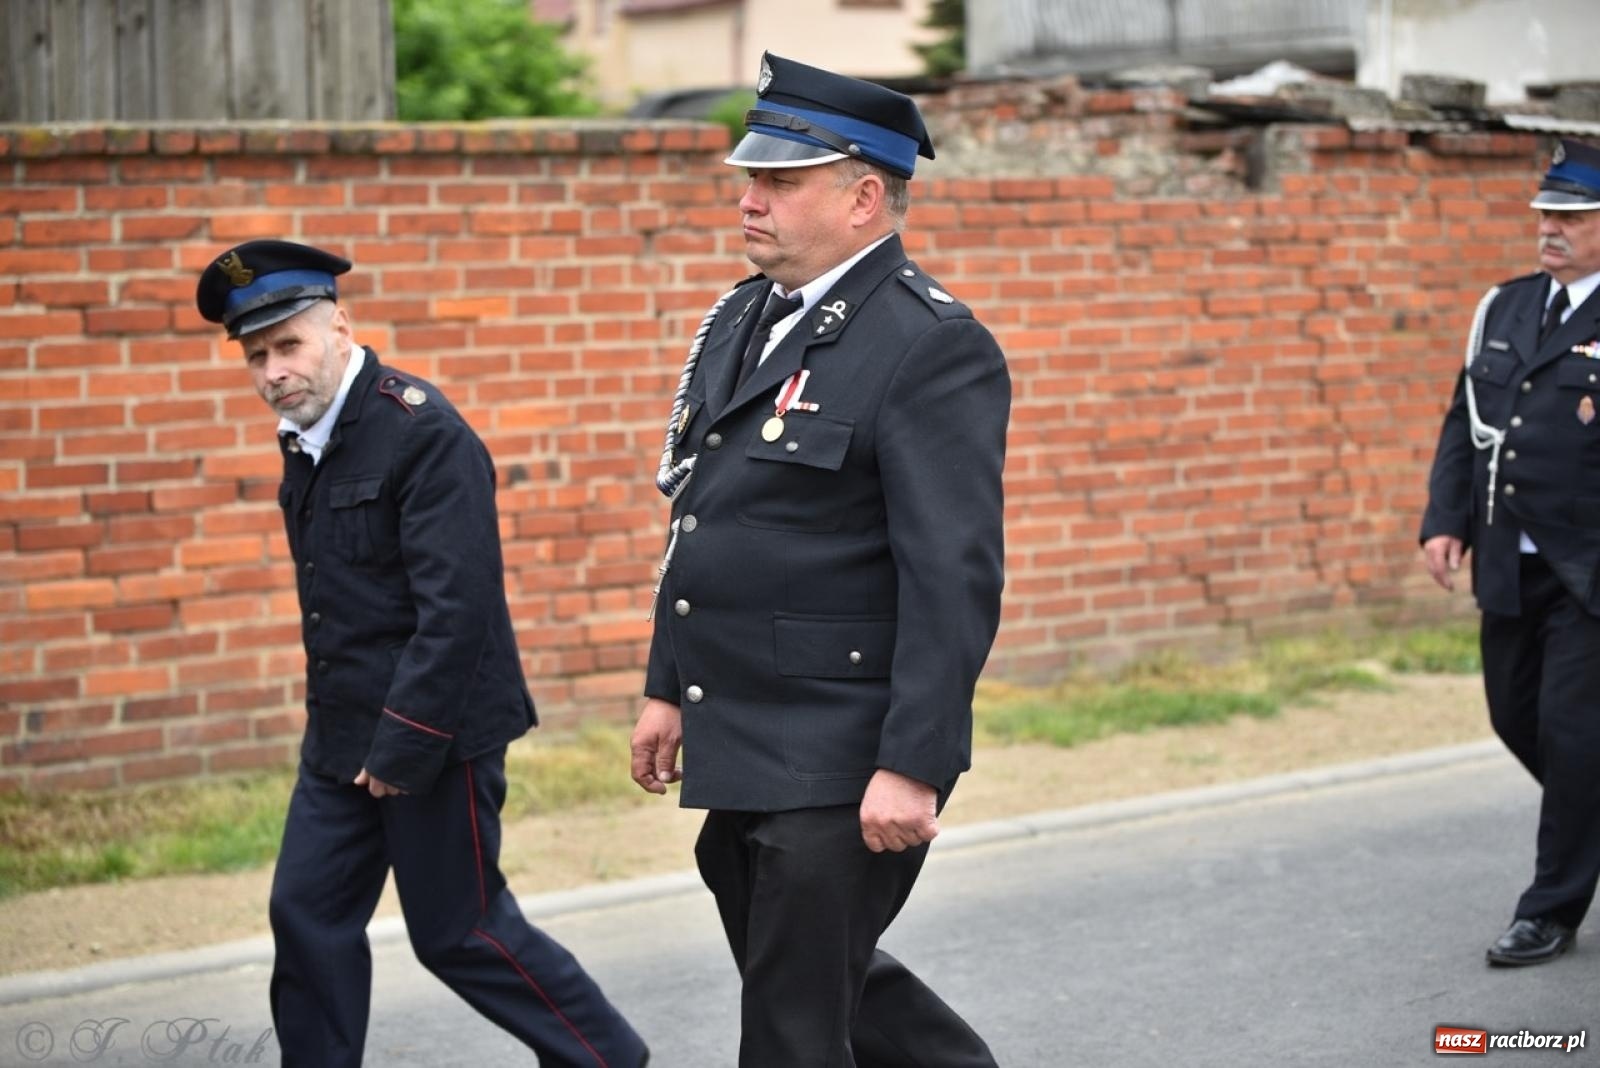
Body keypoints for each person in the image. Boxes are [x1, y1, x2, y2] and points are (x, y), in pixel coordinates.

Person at [630, 53, 1010, 1065]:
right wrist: (669, 687)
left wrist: (912, 764)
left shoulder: (928, 344)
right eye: (751, 179)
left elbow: (952, 573)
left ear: (862, 197)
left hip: (844, 753)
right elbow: (701, 522)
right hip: (745, 731)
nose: (750, 201)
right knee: (818, 982)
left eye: (779, 183)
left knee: (791, 1031)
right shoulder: (744, 318)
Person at [195, 240, 649, 1067]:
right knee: (306, 916)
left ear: (341, 327)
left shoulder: (423, 432)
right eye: (255, 356)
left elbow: (458, 610)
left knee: (460, 931)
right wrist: (346, 735)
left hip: (436, 736)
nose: (272, 371)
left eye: (288, 345)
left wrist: (404, 744)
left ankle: (606, 1055)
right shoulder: (306, 435)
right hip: (340, 734)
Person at [1420, 138, 1600, 967]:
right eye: (1545, 215)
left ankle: (1550, 908)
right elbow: (1466, 422)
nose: (1550, 229)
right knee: (1512, 715)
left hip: (1588, 572)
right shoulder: (1504, 307)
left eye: (1571, 216)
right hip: (1510, 561)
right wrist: (1443, 518)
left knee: (1571, 733)